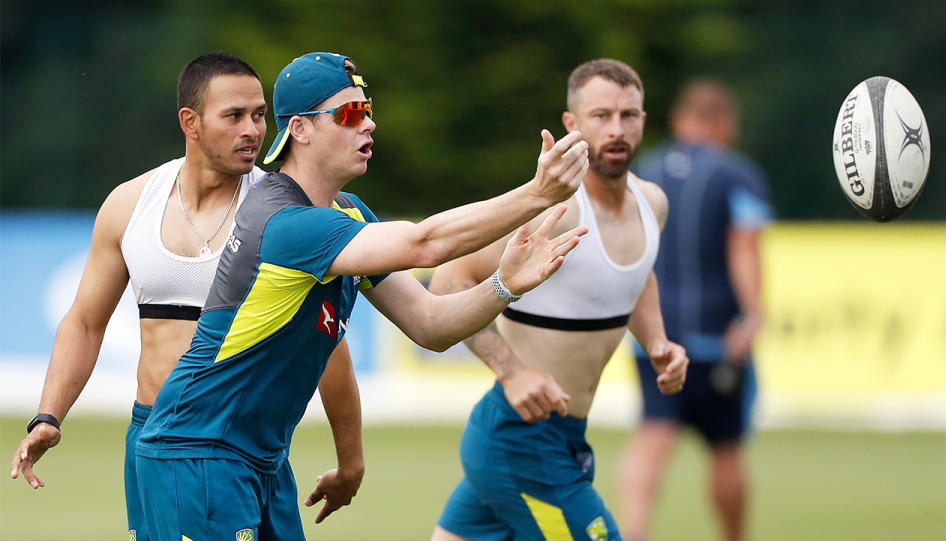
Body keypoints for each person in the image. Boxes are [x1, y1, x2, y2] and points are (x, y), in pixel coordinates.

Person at [133, 51, 590, 540]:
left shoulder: (347, 212)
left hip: (261, 461)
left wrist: (503, 285)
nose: (368, 124)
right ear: (301, 130)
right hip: (197, 451)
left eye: (368, 110)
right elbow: (425, 244)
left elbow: (430, 325)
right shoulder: (286, 222)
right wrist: (538, 194)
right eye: (349, 114)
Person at [6, 51, 358, 540]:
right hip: (163, 440)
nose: (253, 130)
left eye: (259, 115)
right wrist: (49, 415)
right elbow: (86, 321)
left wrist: (351, 460)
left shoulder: (283, 212)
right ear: (190, 122)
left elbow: (327, 343)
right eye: (234, 116)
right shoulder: (131, 204)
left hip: (251, 443)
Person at [428, 58, 689, 541]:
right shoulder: (556, 211)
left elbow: (638, 275)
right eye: (601, 116)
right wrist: (513, 372)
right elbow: (447, 280)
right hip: (519, 435)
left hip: (563, 437)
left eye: (628, 115)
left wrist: (658, 343)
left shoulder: (653, 204)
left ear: (644, 122)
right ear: (572, 124)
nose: (616, 129)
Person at [617, 79, 774, 541]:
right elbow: (744, 248)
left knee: (653, 434)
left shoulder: (643, 169)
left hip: (653, 333)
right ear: (723, 124)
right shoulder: (736, 174)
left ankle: (635, 532)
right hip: (715, 338)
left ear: (680, 120)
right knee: (725, 449)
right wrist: (752, 315)